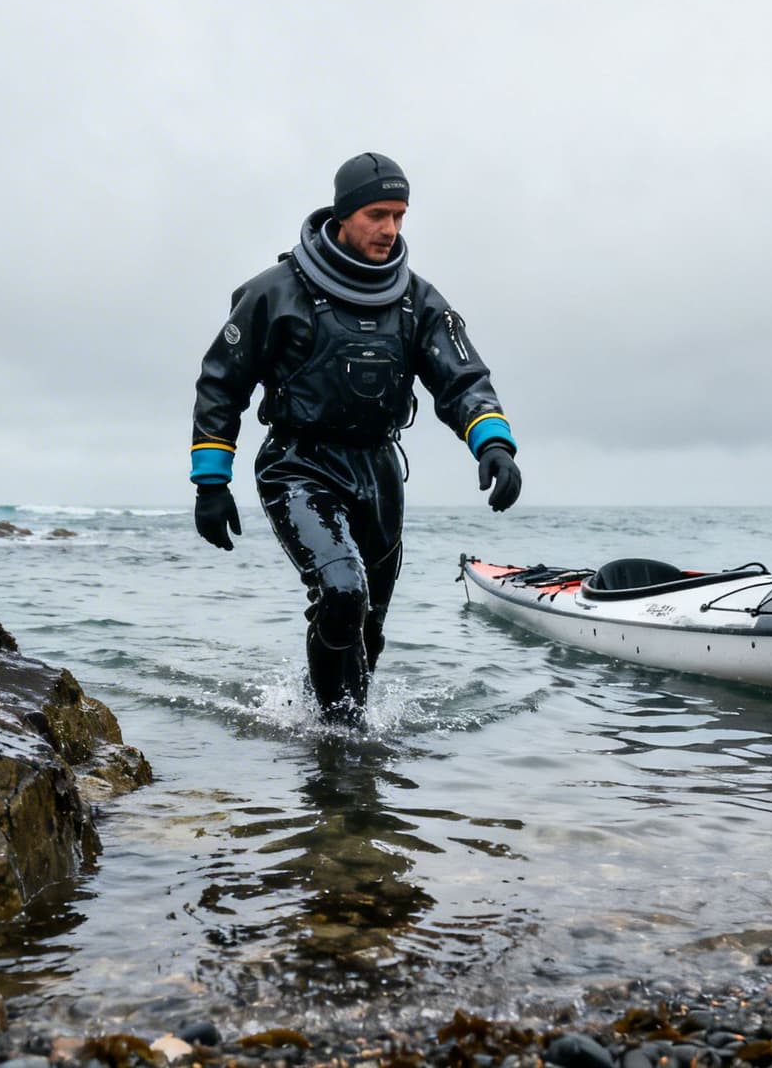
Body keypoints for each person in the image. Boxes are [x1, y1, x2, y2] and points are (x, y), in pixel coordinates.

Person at [188, 152, 522, 724]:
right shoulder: (275, 292)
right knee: (342, 590)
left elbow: (462, 376)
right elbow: (222, 382)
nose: (390, 230)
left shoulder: (418, 300)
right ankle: (337, 739)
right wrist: (210, 482)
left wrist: (492, 442)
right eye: (377, 214)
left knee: (368, 623)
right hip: (299, 465)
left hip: (378, 472)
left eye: (400, 216)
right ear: (343, 214)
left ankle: (338, 730)